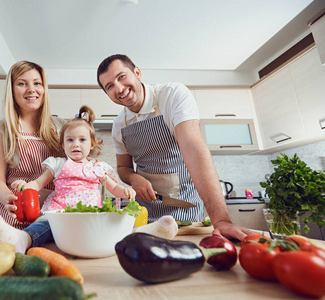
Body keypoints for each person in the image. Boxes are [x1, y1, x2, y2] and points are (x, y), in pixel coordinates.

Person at [96, 54, 253, 241]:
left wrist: (221, 221)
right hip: (144, 215)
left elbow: (193, 149)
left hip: (186, 212)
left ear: (137, 72)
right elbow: (123, 168)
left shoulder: (172, 95)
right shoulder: (118, 125)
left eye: (121, 77)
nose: (119, 88)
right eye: (110, 86)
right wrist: (134, 178)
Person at [0, 105, 137, 252]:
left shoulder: (97, 167)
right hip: (60, 214)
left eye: (82, 140)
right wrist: (24, 186)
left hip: (89, 216)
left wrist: (126, 191)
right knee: (44, 224)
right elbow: (38, 183)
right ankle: (22, 239)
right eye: (70, 140)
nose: (76, 144)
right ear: (62, 144)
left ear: (91, 144)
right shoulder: (57, 164)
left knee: (106, 226)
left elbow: (114, 188)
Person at [0, 60, 65, 252]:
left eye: (37, 83)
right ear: (11, 90)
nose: (31, 89)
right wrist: (9, 199)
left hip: (53, 219)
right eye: (22, 83)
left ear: (44, 88)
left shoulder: (59, 128)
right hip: (14, 218)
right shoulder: (1, 130)